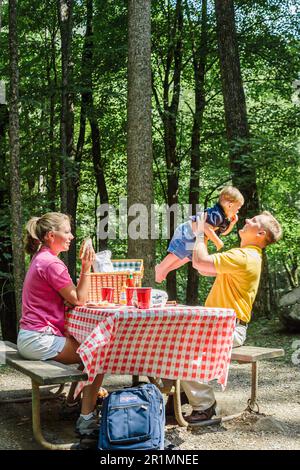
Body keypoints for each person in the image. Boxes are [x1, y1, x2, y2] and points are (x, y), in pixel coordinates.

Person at [167, 210, 282, 424]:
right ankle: (183, 394)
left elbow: (200, 263)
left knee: (184, 347)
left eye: (254, 221)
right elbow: (203, 268)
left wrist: (201, 232)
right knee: (172, 338)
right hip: (219, 326)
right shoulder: (245, 255)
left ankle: (205, 406)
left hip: (230, 329)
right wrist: (208, 234)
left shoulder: (245, 256)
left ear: (260, 233)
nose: (248, 220)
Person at [17, 212, 103, 436]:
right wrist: (86, 267)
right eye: (66, 232)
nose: (71, 236)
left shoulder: (41, 258)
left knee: (89, 346)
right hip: (38, 339)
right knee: (101, 353)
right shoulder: (51, 263)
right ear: (50, 235)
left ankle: (74, 402)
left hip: (31, 336)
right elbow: (79, 299)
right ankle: (86, 420)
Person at [155, 186, 244, 283]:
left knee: (185, 258)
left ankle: (166, 270)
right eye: (238, 207)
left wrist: (232, 224)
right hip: (186, 234)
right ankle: (160, 268)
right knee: (177, 254)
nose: (238, 211)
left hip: (194, 239)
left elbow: (224, 233)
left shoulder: (224, 219)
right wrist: (217, 242)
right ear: (230, 205)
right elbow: (205, 227)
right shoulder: (216, 214)